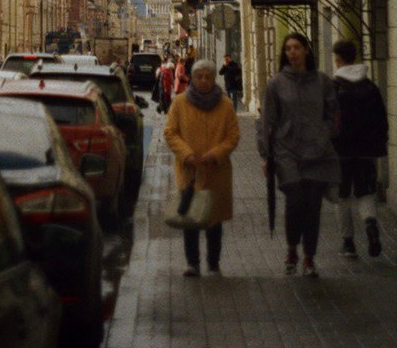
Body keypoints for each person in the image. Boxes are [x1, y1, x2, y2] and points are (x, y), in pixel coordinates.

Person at [257, 32, 340, 277]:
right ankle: (292, 247)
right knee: (295, 202)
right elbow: (267, 121)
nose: (292, 52)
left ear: (306, 50)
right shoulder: (276, 83)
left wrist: (325, 135)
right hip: (287, 152)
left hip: (318, 152)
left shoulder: (322, 81)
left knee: (313, 206)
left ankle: (309, 258)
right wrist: (265, 154)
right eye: (288, 48)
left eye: (296, 47)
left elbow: (332, 114)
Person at [164, 57, 240, 277]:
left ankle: (213, 263)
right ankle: (193, 263)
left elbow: (233, 135)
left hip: (216, 170)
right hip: (190, 171)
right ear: (192, 79)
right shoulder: (179, 103)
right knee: (191, 217)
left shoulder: (225, 104)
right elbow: (170, 132)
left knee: (213, 220)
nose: (203, 80)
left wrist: (216, 154)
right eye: (199, 76)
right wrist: (186, 154)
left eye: (207, 76)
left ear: (214, 78)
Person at [332, 39, 388, 259]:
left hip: (340, 151)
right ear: (354, 57)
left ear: (338, 60)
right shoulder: (370, 86)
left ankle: (348, 243)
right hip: (366, 150)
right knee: (366, 191)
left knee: (342, 196)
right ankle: (370, 223)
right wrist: (379, 144)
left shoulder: (334, 86)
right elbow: (381, 118)